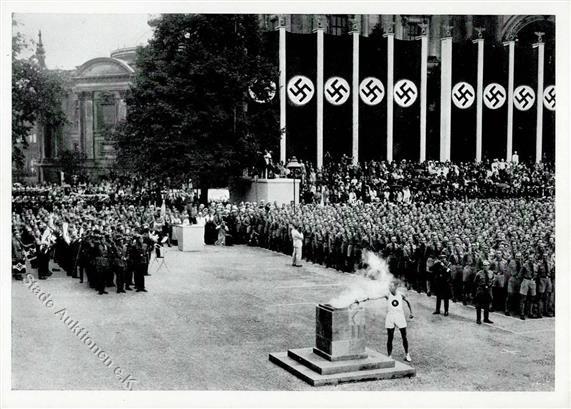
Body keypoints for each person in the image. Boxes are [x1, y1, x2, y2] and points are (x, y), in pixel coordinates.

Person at [382, 281, 413, 362]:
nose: (389, 288)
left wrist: (411, 312)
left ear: (395, 287)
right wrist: (365, 298)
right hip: (390, 316)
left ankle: (407, 354)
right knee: (390, 337)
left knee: (404, 336)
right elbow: (376, 297)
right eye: (389, 286)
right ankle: (389, 356)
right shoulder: (387, 294)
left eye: (391, 286)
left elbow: (408, 302)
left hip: (400, 316)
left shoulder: (400, 294)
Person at [473, 260, 494, 324]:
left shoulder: (491, 273)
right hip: (481, 290)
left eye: (487, 265)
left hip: (488, 290)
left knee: (486, 305)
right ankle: (478, 319)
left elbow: (492, 280)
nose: (485, 267)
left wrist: (490, 285)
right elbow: (475, 282)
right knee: (479, 305)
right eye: (484, 265)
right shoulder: (479, 273)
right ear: (482, 266)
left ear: (489, 266)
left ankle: (486, 318)